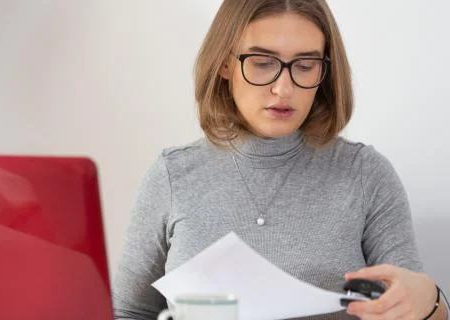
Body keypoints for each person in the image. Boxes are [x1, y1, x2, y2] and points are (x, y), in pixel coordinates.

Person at [112, 1, 448, 319]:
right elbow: (128, 312)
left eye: (305, 66)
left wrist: (429, 299)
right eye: (262, 63)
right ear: (225, 63)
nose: (284, 88)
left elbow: (412, 309)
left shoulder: (365, 174)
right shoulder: (172, 176)